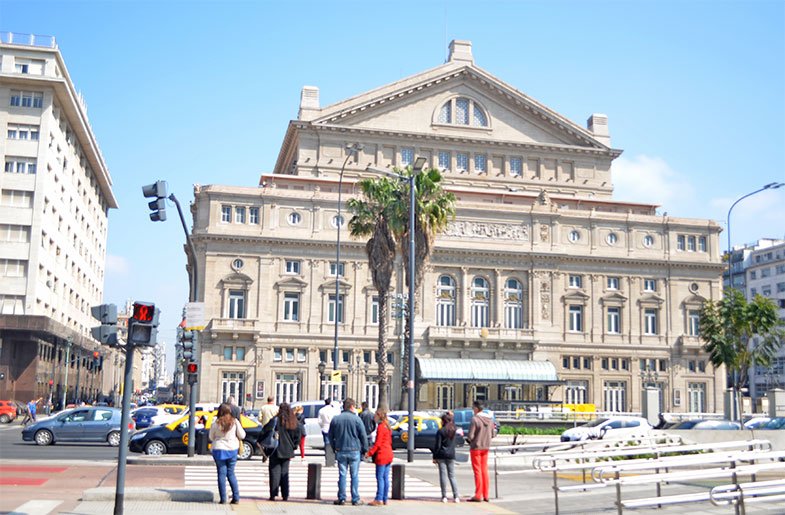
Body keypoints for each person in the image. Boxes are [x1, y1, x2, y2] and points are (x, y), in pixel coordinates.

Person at [328, 398, 368, 506]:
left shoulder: (336, 419)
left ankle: (342, 498)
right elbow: (363, 436)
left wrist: (334, 447)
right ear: (352, 407)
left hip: (341, 450)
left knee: (342, 474)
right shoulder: (357, 419)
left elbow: (330, 436)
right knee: (354, 475)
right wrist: (365, 450)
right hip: (354, 450)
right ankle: (355, 498)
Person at [208, 403, 246, 505]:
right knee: (231, 473)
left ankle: (223, 499)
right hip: (232, 448)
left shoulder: (215, 423)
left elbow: (211, 437)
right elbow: (242, 435)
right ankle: (236, 497)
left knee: (221, 473)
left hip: (219, 449)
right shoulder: (234, 422)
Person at [267, 403, 303, 501]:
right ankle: (285, 495)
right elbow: (298, 435)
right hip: (287, 450)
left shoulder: (275, 421)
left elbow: (265, 432)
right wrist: (294, 446)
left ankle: (273, 494)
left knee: (274, 472)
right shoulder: (293, 422)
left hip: (275, 450)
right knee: (284, 473)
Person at [466, 400, 496, 502]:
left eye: (473, 408)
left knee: (477, 471)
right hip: (486, 447)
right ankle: (486, 494)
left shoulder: (475, 419)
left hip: (476, 447)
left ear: (476, 408)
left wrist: (468, 440)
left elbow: (470, 436)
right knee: (484, 470)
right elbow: (493, 434)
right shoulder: (490, 419)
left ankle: (478, 495)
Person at [366, 408, 393, 506]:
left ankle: (379, 498)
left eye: (375, 415)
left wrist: (369, 453)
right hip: (388, 453)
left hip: (382, 454)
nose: (374, 417)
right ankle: (385, 498)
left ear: (379, 416)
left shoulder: (381, 427)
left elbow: (377, 443)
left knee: (380, 477)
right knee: (385, 477)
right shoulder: (387, 426)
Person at [432, 411, 460, 503]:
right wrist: (451, 415)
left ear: (443, 421)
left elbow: (437, 445)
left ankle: (444, 496)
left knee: (443, 475)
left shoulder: (441, 431)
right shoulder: (454, 429)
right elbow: (453, 422)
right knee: (452, 475)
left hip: (442, 455)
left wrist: (435, 457)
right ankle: (456, 496)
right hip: (451, 455)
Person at [318, 398, 340, 466]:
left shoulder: (321, 410)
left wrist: (322, 426)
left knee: (327, 444)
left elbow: (319, 421)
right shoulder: (334, 410)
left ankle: (328, 459)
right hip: (334, 428)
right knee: (335, 443)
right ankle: (335, 458)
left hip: (325, 428)